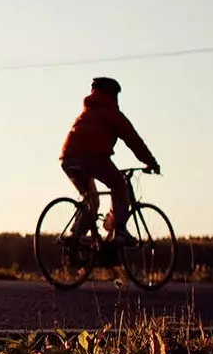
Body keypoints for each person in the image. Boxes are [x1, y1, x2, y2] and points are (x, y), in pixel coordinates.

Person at [59, 76, 160, 246]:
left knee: (91, 200)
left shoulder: (87, 111)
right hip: (94, 158)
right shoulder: (111, 113)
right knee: (119, 185)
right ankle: (119, 231)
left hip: (68, 159)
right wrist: (151, 162)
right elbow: (133, 140)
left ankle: (76, 240)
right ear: (112, 94)